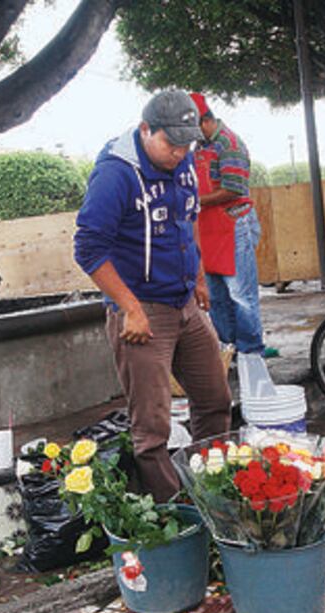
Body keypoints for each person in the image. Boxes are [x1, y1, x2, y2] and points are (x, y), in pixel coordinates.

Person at [74, 90, 232, 502]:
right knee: (153, 426)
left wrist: (198, 277)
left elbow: (189, 218)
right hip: (141, 309)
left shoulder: (181, 163)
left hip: (183, 301)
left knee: (216, 399)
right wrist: (130, 309)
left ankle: (215, 490)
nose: (180, 153)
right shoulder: (115, 174)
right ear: (146, 130)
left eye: (188, 144)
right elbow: (88, 250)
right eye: (171, 143)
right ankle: (175, 512)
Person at [188, 92, 270, 360]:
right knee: (216, 296)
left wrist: (194, 201)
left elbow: (233, 190)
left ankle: (250, 351)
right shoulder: (199, 147)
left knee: (241, 295)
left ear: (205, 120)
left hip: (234, 225)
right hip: (210, 230)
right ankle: (227, 351)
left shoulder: (229, 143)